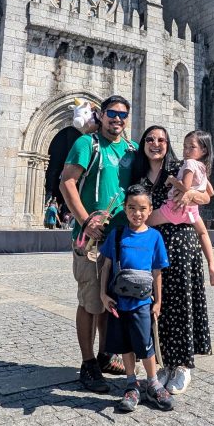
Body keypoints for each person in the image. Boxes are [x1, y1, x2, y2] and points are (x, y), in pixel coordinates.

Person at [130, 125, 214, 395]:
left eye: (161, 140)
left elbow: (207, 193)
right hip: (151, 247)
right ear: (143, 144)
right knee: (160, 305)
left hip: (180, 242)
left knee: (181, 302)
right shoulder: (138, 176)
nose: (156, 144)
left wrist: (191, 194)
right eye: (150, 139)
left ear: (168, 144)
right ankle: (166, 362)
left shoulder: (179, 167)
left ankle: (182, 365)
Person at [61, 94, 137, 393]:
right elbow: (67, 182)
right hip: (91, 240)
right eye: (112, 113)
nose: (117, 119)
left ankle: (106, 355)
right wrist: (85, 221)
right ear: (101, 115)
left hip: (121, 239)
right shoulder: (86, 144)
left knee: (109, 303)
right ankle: (88, 363)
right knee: (91, 303)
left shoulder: (131, 150)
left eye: (122, 115)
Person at [100, 185, 173, 413]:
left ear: (150, 210)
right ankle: (132, 384)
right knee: (125, 345)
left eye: (142, 208)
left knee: (145, 344)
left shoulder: (154, 237)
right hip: (119, 302)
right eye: (132, 208)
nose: (137, 213)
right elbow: (106, 266)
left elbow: (157, 272)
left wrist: (158, 302)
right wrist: (103, 294)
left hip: (142, 303)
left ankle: (152, 383)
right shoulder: (118, 234)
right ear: (125, 208)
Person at [148, 130, 212, 246]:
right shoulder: (202, 167)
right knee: (203, 232)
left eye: (191, 147)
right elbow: (211, 192)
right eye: (184, 147)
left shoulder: (189, 163)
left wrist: (172, 179)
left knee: (144, 220)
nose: (186, 151)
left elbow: (186, 188)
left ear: (204, 150)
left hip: (175, 207)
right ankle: (211, 263)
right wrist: (194, 192)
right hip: (192, 211)